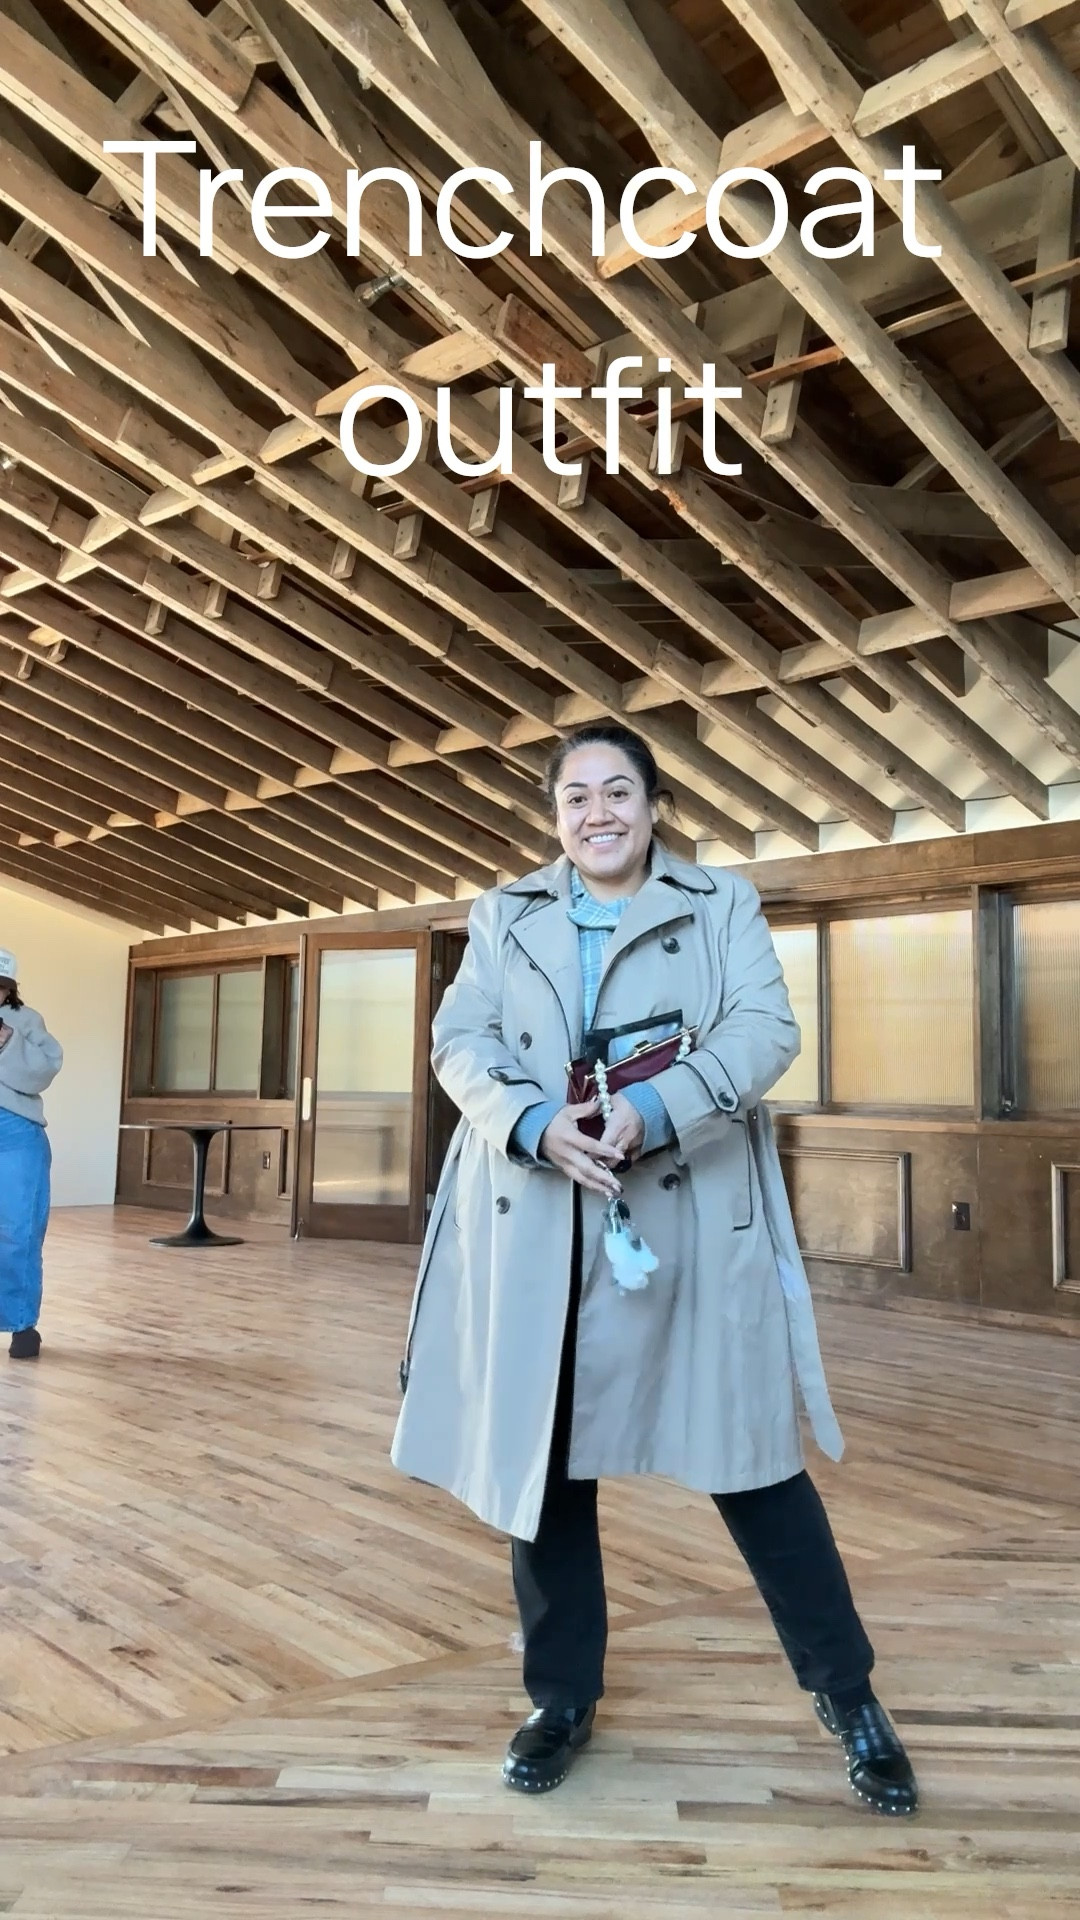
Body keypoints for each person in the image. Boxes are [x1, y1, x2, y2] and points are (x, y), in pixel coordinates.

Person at [392, 723, 917, 1818]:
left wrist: (650, 1111)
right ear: (554, 815)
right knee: (545, 1477)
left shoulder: (721, 903)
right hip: (541, 1216)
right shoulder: (505, 915)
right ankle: (561, 1698)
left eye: (617, 791)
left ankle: (851, 1696)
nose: (598, 813)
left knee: (756, 1465)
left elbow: (766, 1030)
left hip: (682, 1218)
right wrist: (535, 1122)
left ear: (653, 803)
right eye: (575, 796)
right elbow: (462, 1042)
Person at [0, 950, 63, 1360]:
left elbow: (47, 1067)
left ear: (8, 987)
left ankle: (22, 1325)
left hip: (16, 1133)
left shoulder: (26, 1021)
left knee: (18, 1229)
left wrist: (8, 1040)